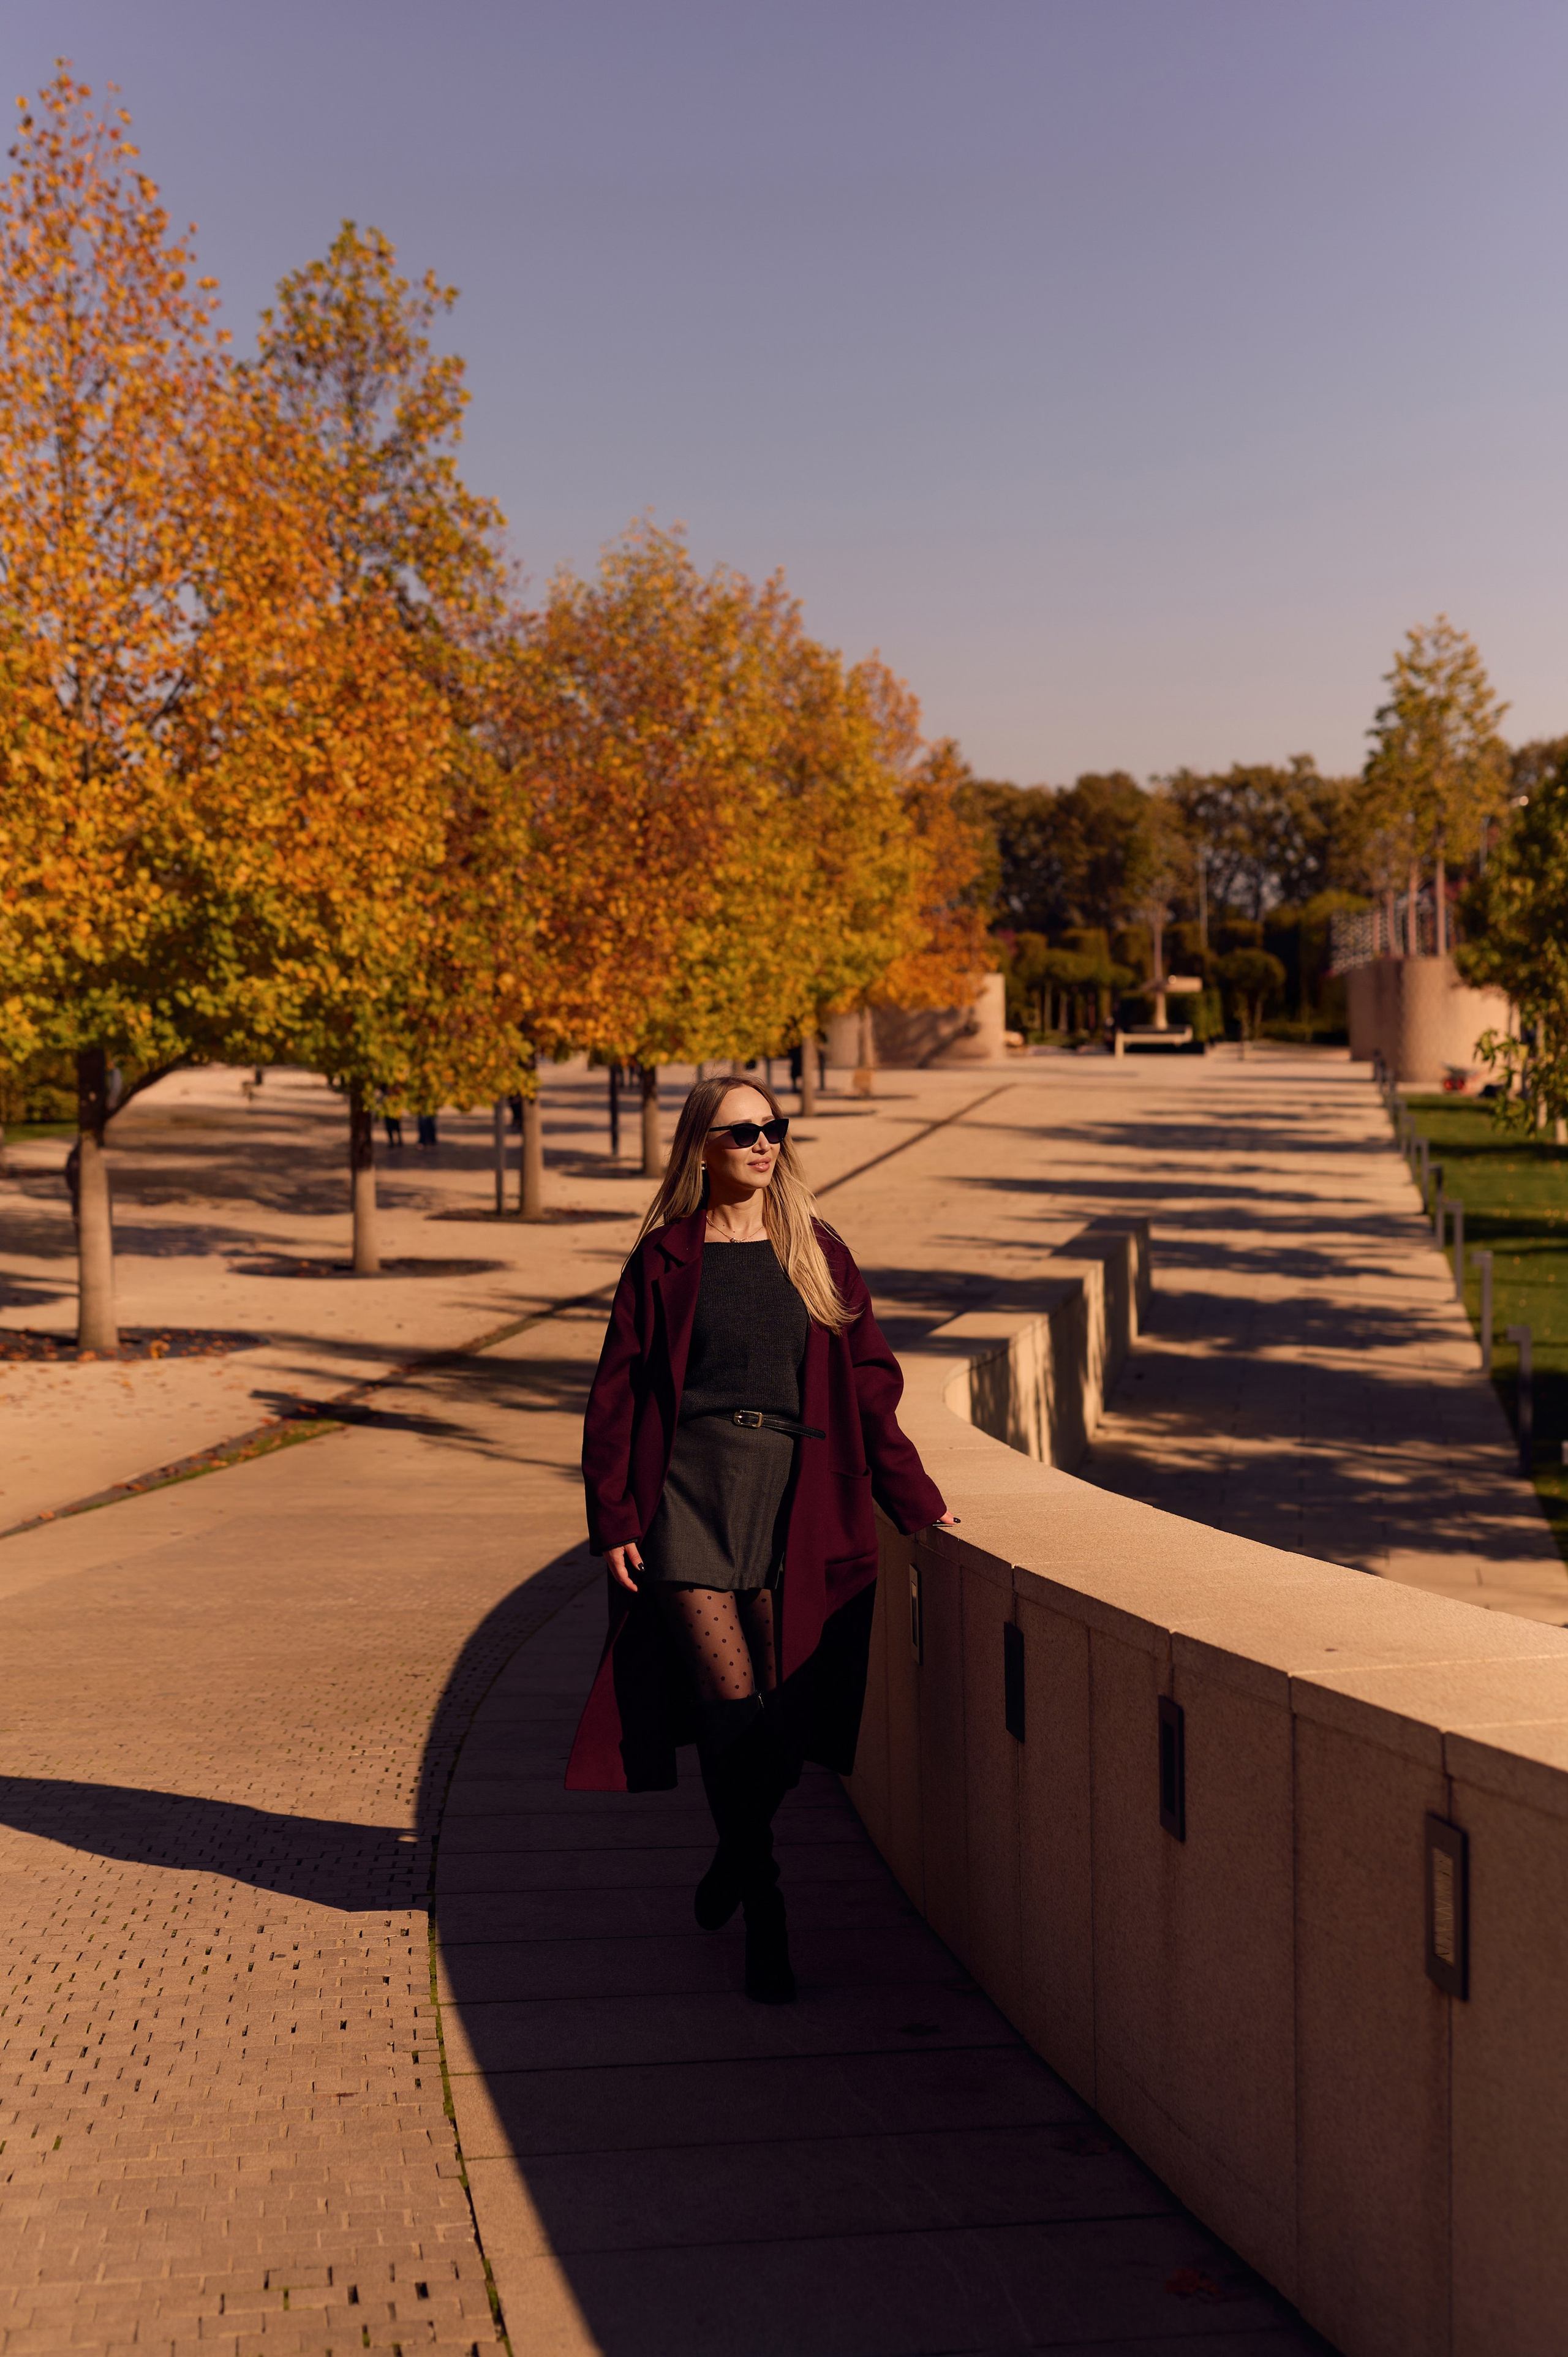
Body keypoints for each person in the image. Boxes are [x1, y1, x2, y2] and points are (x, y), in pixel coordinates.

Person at [568, 1074, 956, 2004]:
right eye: (742, 1130)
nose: (763, 1143)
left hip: (796, 1498)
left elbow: (871, 1385)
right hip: (688, 1498)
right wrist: (615, 1517)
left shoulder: (815, 1252)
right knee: (729, 1710)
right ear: (701, 1146)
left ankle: (733, 1862)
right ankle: (768, 1913)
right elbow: (616, 1395)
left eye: (773, 1128)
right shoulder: (664, 1258)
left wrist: (915, 1496)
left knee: (786, 1717)